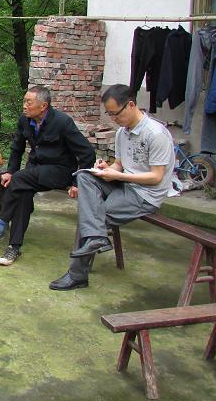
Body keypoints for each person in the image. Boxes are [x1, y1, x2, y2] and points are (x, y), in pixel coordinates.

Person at [50, 84, 175, 291]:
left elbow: (156, 177)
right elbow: (119, 164)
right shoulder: (122, 133)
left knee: (91, 216)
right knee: (84, 176)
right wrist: (106, 169)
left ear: (131, 105)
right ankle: (97, 239)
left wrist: (118, 175)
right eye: (110, 115)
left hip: (146, 194)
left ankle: (77, 275)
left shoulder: (155, 134)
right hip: (125, 184)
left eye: (116, 114)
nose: (114, 119)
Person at [0, 86, 95, 266]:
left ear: (43, 106)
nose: (24, 106)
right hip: (35, 171)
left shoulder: (62, 122)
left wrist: (78, 181)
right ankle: (14, 247)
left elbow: (87, 153)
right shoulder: (25, 120)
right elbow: (17, 148)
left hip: (60, 171)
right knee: (22, 193)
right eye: (24, 101)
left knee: (20, 179)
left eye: (28, 102)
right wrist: (10, 171)